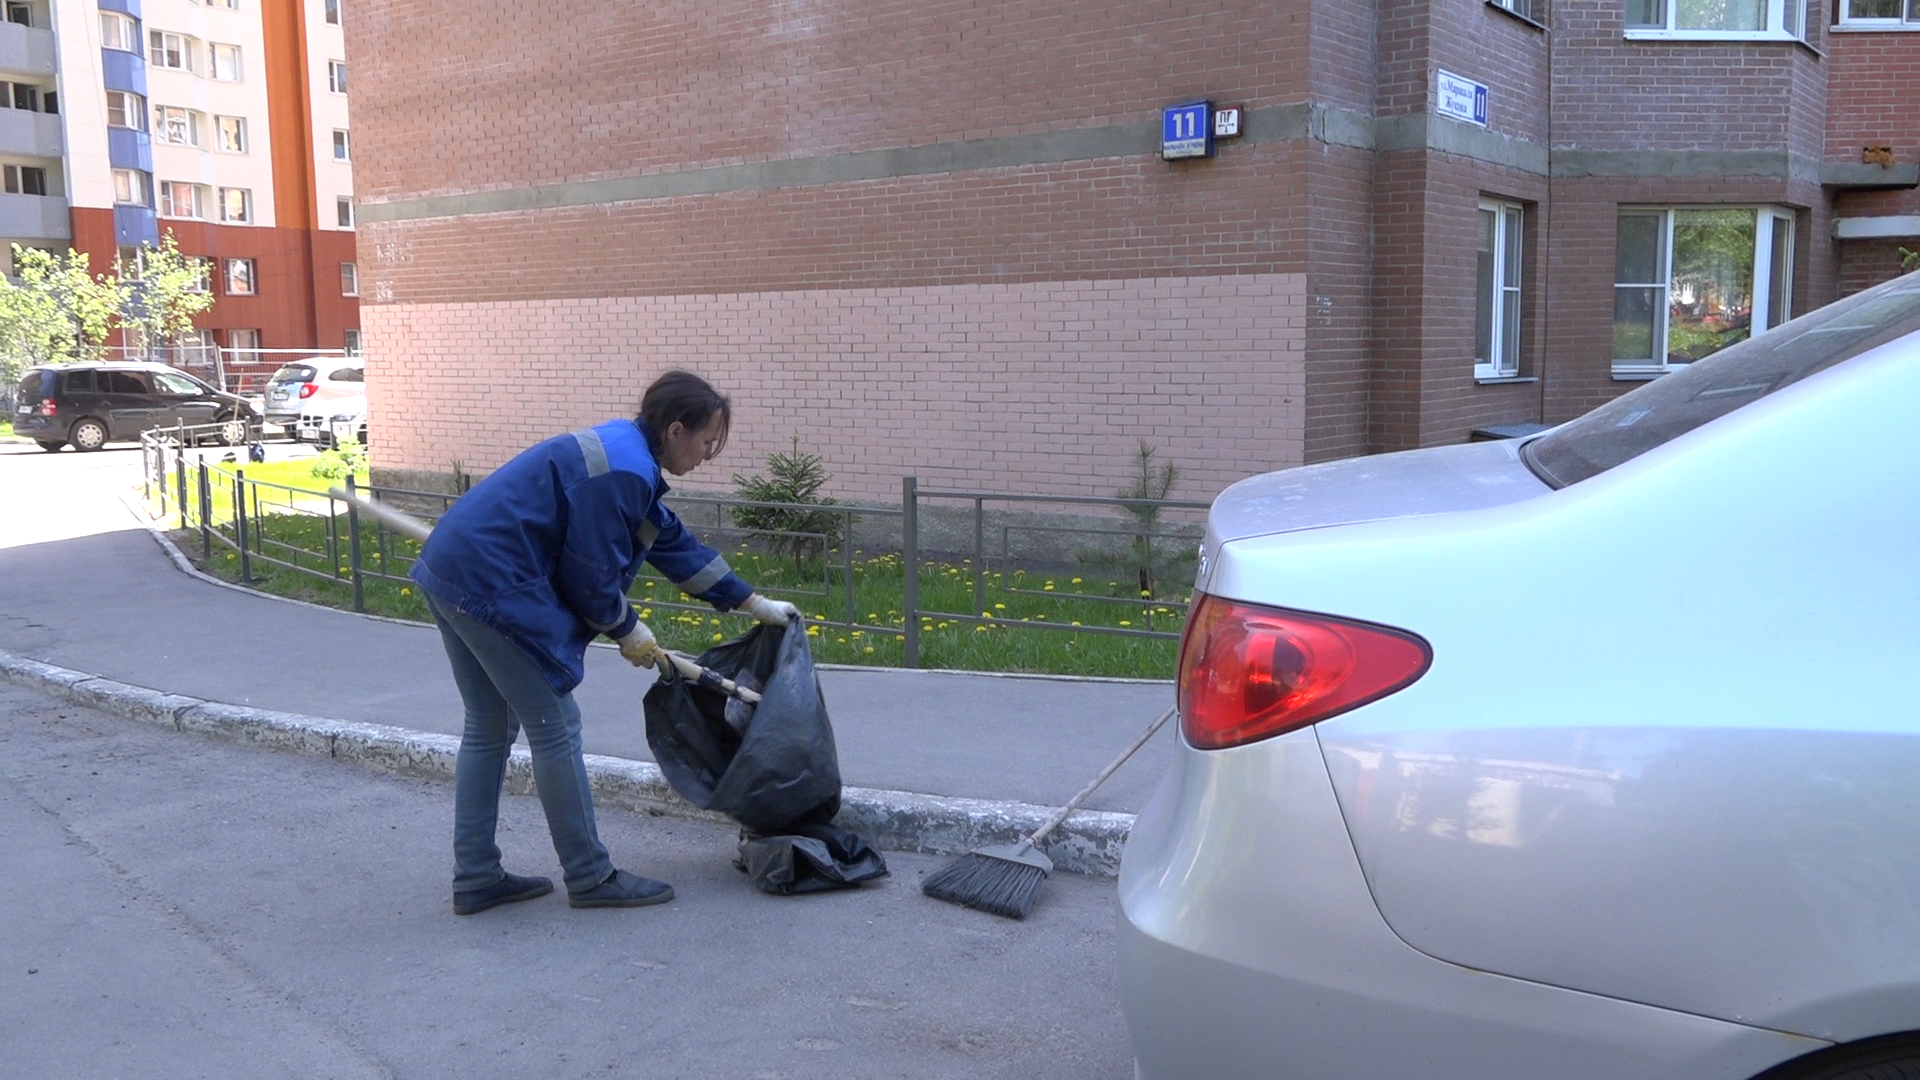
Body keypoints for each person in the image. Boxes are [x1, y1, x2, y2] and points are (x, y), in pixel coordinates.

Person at [409, 370, 800, 915]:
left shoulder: (626, 452)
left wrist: (751, 602)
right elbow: (589, 576)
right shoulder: (623, 470)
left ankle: (476, 875)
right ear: (675, 430)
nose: (709, 454)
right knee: (556, 728)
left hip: (451, 569)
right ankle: (590, 876)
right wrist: (627, 629)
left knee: (490, 726)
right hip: (488, 584)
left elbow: (668, 540)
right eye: (708, 441)